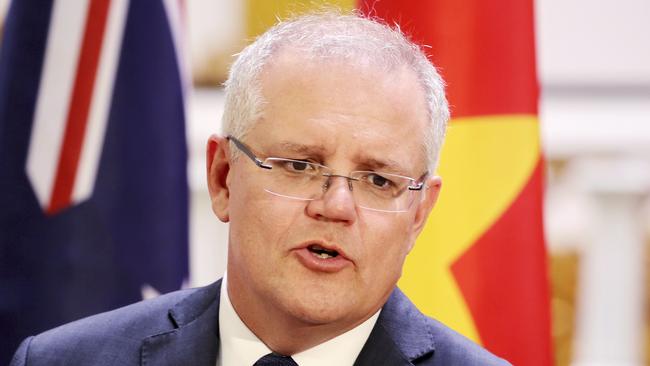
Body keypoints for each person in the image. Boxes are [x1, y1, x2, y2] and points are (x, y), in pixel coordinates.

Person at [11, 12, 511, 366]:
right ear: (223, 177)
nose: (336, 206)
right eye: (300, 165)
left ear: (419, 212)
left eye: (378, 180)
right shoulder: (64, 360)